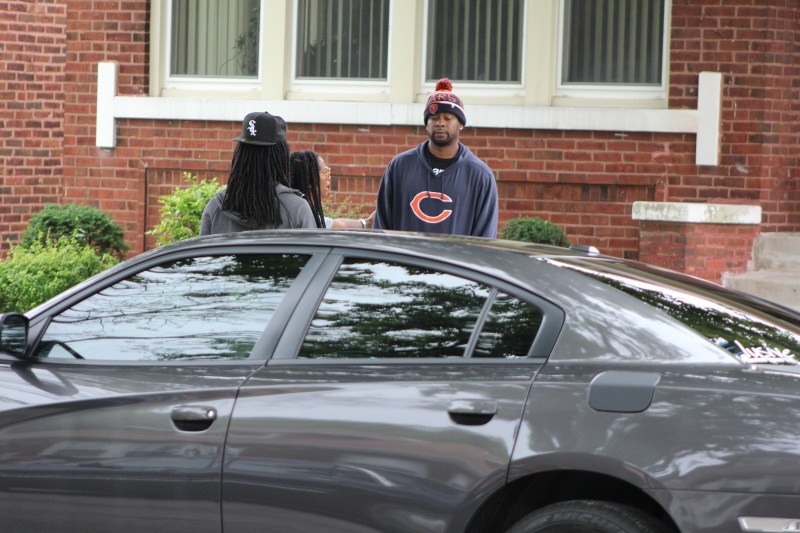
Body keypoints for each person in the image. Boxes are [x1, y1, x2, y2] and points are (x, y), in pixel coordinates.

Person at [373, 78, 498, 238]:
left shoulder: (480, 175)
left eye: (448, 118)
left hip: (453, 256)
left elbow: (484, 239)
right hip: (405, 255)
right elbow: (382, 226)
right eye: (434, 118)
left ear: (460, 123)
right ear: (426, 123)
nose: (440, 123)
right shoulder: (400, 166)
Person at [200, 111, 316, 235]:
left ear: (240, 155)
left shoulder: (215, 208)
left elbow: (202, 248)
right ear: (280, 155)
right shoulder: (296, 209)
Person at [289, 150, 374, 229]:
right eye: (325, 172)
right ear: (310, 180)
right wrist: (367, 222)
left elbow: (333, 224)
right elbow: (337, 225)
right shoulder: (302, 212)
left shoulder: (294, 208)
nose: (329, 177)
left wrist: (367, 222)